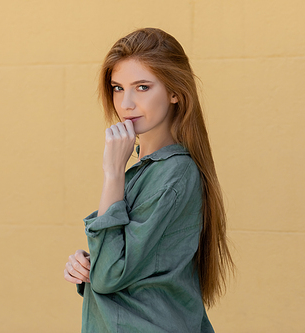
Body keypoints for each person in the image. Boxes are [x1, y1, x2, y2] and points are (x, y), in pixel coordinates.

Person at [64, 27, 234, 332]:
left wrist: (113, 173)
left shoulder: (173, 173)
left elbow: (111, 275)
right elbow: (127, 264)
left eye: (142, 87)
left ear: (174, 92)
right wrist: (88, 263)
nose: (126, 103)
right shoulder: (148, 168)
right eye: (118, 88)